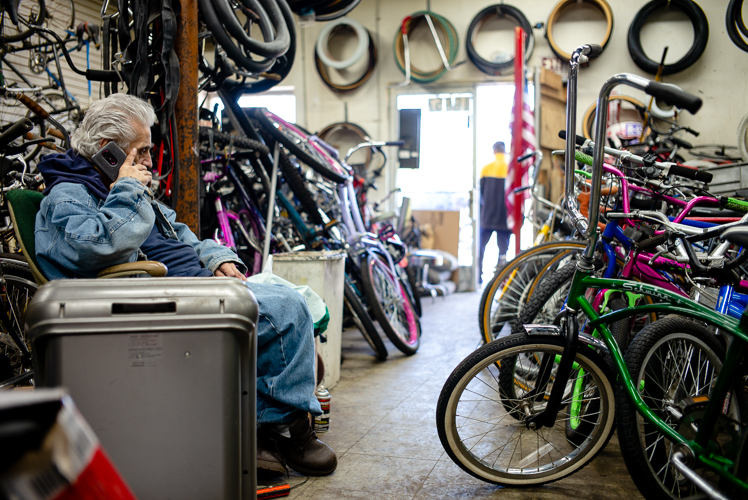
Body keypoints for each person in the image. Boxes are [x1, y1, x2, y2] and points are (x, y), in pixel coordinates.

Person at [34, 93, 336, 478]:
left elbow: (177, 233)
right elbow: (92, 247)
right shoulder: (70, 193)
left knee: (292, 298)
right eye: (141, 151)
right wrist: (127, 190)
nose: (148, 162)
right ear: (107, 151)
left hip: (187, 281)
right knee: (285, 309)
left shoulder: (116, 184)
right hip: (151, 295)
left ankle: (272, 414)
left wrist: (214, 256)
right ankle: (278, 430)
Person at [478, 141, 513, 283]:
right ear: (504, 151)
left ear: (494, 151)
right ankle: (501, 279)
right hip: (504, 216)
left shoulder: (486, 168)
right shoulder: (510, 169)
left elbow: (481, 193)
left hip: (488, 215)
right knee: (503, 250)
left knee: (481, 247)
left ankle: (479, 276)